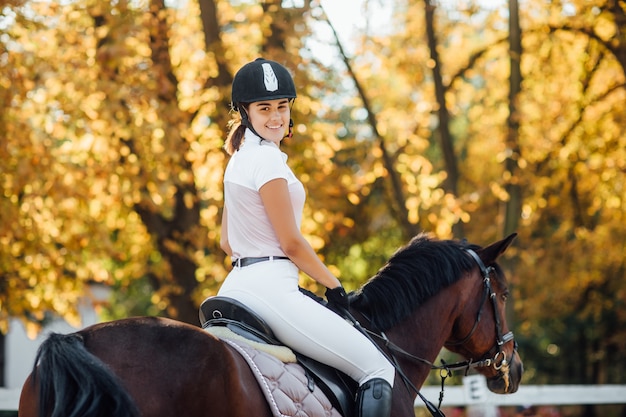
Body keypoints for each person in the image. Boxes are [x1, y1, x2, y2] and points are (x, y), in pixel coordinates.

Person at [217, 58, 395, 417]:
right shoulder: (268, 161)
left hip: (233, 287)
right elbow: (291, 243)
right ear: (245, 112)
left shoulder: (238, 159)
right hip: (271, 290)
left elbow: (226, 242)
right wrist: (333, 285)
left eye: (282, 107)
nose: (276, 117)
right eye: (264, 108)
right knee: (379, 368)